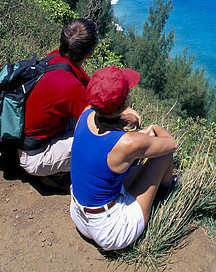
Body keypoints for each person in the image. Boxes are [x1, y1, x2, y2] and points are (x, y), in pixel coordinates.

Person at [70, 65, 178, 250]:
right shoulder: (127, 143)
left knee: (124, 169)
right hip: (111, 231)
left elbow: (105, 140)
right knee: (163, 155)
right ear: (124, 102)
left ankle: (151, 191)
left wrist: (127, 116)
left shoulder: (85, 114)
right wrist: (153, 129)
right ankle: (167, 192)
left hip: (79, 214)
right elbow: (171, 143)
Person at [17, 18, 99, 184]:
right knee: (99, 142)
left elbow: (88, 85)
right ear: (88, 54)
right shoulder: (69, 86)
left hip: (26, 136)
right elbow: (96, 120)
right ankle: (53, 175)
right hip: (35, 155)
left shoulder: (55, 58)